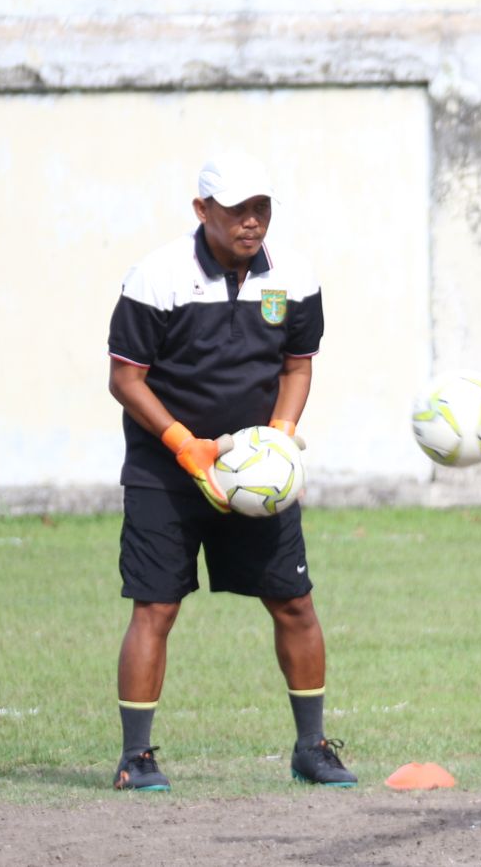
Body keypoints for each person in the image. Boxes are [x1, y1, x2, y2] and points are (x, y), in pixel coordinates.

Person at [105, 152, 356, 791]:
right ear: (202, 211)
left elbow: (298, 366)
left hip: (256, 479)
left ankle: (312, 748)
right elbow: (125, 378)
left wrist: (281, 439)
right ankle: (137, 758)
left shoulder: (294, 276)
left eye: (262, 209)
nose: (252, 222)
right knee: (155, 608)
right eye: (238, 209)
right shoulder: (156, 276)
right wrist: (183, 443)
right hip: (167, 473)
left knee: (295, 603)